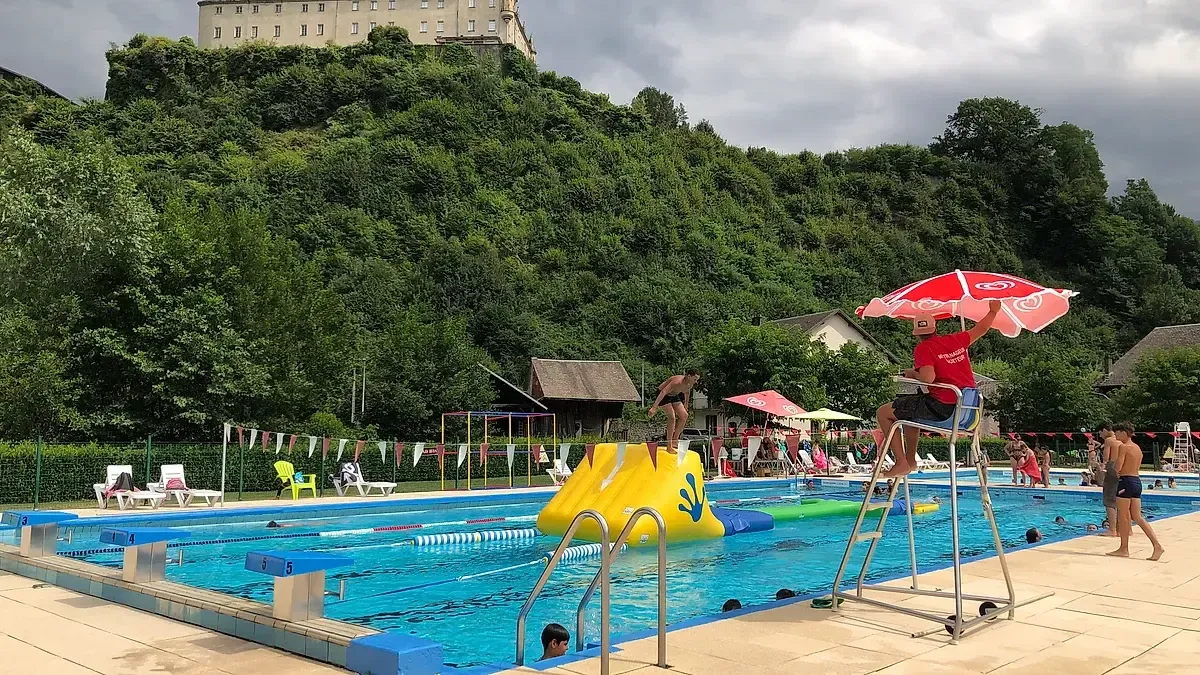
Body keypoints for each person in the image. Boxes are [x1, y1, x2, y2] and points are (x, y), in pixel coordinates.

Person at [875, 300, 1002, 478]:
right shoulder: (956, 339)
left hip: (943, 409)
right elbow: (981, 328)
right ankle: (910, 460)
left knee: (883, 412)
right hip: (968, 412)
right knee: (908, 410)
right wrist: (993, 311)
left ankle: (901, 462)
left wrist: (913, 374)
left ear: (917, 334)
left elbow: (928, 379)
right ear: (935, 328)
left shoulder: (924, 348)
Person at [1108, 422, 1165, 561]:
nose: (1115, 435)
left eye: (1117, 433)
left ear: (1124, 432)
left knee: (1123, 516)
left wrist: (1114, 469)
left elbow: (1119, 466)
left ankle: (1124, 549)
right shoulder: (1137, 448)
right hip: (1136, 482)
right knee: (1137, 517)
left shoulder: (1124, 447)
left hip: (1125, 481)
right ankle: (1157, 545)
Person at [648, 369, 701, 449]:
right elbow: (663, 392)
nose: (696, 381)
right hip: (663, 396)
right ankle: (669, 445)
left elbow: (686, 392)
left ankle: (675, 439)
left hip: (674, 395)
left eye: (697, 379)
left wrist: (686, 405)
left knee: (684, 416)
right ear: (689, 376)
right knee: (672, 417)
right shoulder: (677, 382)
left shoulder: (690, 384)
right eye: (695, 379)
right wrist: (654, 407)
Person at [1098, 423, 1120, 537]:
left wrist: (1102, 470)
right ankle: (1121, 529)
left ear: (1105, 430)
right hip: (1121, 469)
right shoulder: (1120, 440)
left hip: (1111, 469)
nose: (1100, 435)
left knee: (1109, 500)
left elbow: (1106, 458)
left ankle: (1112, 530)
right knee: (1119, 500)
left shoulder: (1109, 440)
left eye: (1101, 432)